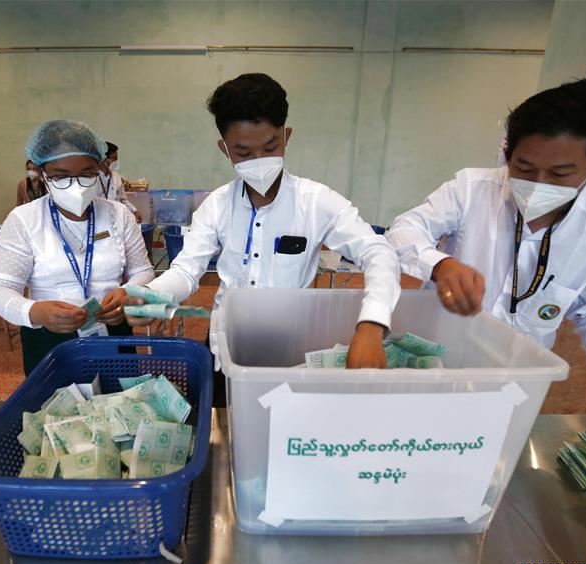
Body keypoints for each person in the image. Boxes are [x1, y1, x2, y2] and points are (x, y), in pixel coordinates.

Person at [386, 79, 586, 418]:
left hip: (516, 383)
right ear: (507, 150)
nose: (537, 185)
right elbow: (406, 230)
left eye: (560, 174)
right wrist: (440, 265)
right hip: (434, 363)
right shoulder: (472, 189)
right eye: (523, 168)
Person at [125, 73, 401, 381]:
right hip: (226, 344)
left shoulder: (315, 202)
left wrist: (372, 324)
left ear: (286, 136)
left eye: (270, 147)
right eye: (243, 152)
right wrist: (151, 294)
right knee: (226, 421)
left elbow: (379, 252)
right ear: (224, 148)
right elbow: (187, 271)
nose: (258, 160)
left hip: (290, 349)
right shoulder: (216, 206)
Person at [0, 119, 154, 375]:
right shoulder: (24, 220)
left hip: (111, 328)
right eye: (61, 176)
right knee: (58, 408)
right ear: (42, 173)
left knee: (116, 403)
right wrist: (34, 311)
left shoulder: (118, 215)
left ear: (99, 168)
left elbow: (143, 270)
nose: (76, 185)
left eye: (87, 174)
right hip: (49, 334)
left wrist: (127, 292)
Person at [98, 142, 141, 223]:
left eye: (117, 158)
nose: (116, 161)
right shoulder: (93, 178)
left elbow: (123, 200)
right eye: (114, 158)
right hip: (100, 220)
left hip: (116, 218)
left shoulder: (116, 177)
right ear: (103, 158)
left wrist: (134, 211)